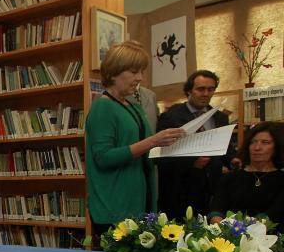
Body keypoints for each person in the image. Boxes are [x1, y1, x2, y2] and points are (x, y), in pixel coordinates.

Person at [85, 41, 185, 235]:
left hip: (141, 202)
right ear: (114, 72)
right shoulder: (103, 107)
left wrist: (172, 145)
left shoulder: (134, 107)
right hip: (115, 206)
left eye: (141, 71)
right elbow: (103, 158)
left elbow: (144, 150)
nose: (139, 78)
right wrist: (153, 141)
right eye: (133, 71)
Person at [157, 70, 233, 219]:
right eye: (201, 89)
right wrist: (192, 163)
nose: (206, 93)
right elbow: (162, 156)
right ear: (189, 91)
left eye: (210, 89)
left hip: (212, 191)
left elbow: (226, 149)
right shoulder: (171, 117)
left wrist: (232, 160)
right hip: (181, 190)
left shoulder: (220, 117)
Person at [210, 122, 284, 224]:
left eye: (265, 142)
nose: (257, 147)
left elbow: (275, 214)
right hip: (227, 235)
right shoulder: (230, 177)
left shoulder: (281, 179)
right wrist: (222, 227)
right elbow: (216, 210)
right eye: (253, 142)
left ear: (277, 147)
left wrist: (247, 230)